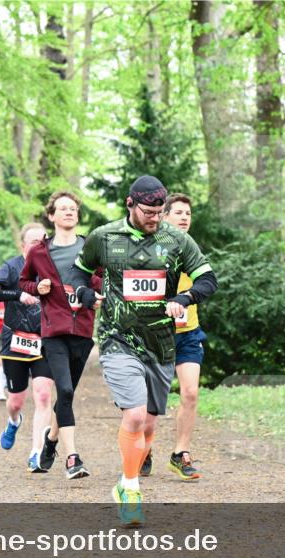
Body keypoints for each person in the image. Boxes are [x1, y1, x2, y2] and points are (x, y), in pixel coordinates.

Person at [75, 175, 218, 526]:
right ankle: (129, 488)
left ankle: (132, 474)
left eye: (159, 212)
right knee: (135, 415)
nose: (154, 218)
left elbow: (207, 279)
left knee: (150, 425)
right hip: (117, 338)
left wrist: (183, 298)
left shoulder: (176, 240)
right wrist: (83, 294)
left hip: (161, 342)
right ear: (130, 204)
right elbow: (78, 274)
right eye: (148, 212)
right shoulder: (104, 237)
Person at [19, 191, 102, 480]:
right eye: (62, 209)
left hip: (82, 329)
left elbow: (102, 279)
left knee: (67, 396)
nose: (69, 212)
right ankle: (73, 458)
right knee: (64, 391)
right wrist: (36, 288)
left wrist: (96, 293)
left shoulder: (90, 248)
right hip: (53, 330)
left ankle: (50, 440)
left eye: (73, 209)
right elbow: (24, 280)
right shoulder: (40, 252)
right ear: (52, 216)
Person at [0, 223, 54, 472]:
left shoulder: (55, 267)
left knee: (43, 394)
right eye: (34, 241)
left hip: (46, 341)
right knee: (16, 402)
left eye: (43, 240)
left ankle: (36, 453)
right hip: (15, 343)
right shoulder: (11, 267)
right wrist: (16, 295)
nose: (39, 245)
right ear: (22, 246)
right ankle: (13, 421)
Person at [140, 193, 203, 481]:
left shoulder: (192, 251)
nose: (184, 217)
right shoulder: (150, 248)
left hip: (188, 332)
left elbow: (205, 281)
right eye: (177, 212)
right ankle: (144, 447)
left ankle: (181, 453)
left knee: (190, 393)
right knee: (152, 401)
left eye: (187, 213)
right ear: (164, 216)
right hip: (155, 334)